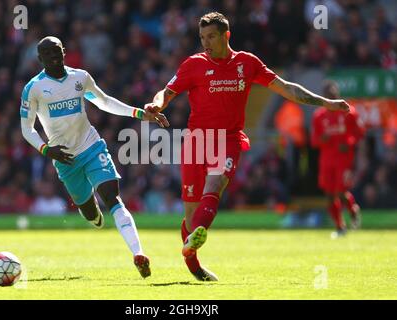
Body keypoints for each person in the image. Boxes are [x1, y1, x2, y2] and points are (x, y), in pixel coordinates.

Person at [145, 12, 350, 281]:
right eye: (202, 37)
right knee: (191, 214)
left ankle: (197, 237)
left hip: (228, 139)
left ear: (226, 35)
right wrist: (156, 104)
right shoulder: (193, 65)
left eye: (211, 36)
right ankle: (193, 261)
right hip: (196, 141)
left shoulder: (247, 63)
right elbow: (167, 92)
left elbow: (287, 88)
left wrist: (326, 102)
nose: (206, 43)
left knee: (215, 186)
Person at [20, 36, 169, 278]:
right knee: (90, 213)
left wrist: (140, 114)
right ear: (40, 58)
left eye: (56, 50)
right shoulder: (34, 88)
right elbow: (27, 128)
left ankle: (138, 253)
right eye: (47, 53)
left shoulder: (81, 78)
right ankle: (94, 217)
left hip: (91, 147)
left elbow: (104, 102)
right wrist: (46, 150)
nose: (53, 56)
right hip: (65, 158)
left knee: (113, 197)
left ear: (64, 51)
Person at [311, 80, 364, 239]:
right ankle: (340, 226)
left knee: (341, 191)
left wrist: (349, 143)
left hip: (343, 158)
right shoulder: (319, 116)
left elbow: (360, 132)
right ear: (324, 98)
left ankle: (353, 210)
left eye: (334, 95)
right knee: (329, 194)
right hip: (327, 159)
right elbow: (314, 141)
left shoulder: (349, 112)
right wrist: (323, 139)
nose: (332, 98)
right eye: (328, 96)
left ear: (338, 95)